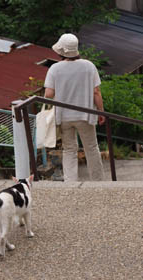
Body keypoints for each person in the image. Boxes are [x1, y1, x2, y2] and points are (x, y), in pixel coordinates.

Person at [44, 33, 105, 182]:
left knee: (69, 149)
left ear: (62, 50)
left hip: (64, 116)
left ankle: (70, 182)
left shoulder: (55, 68)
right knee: (91, 147)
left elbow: (49, 94)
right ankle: (98, 181)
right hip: (85, 115)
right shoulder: (88, 66)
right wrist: (101, 112)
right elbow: (96, 92)